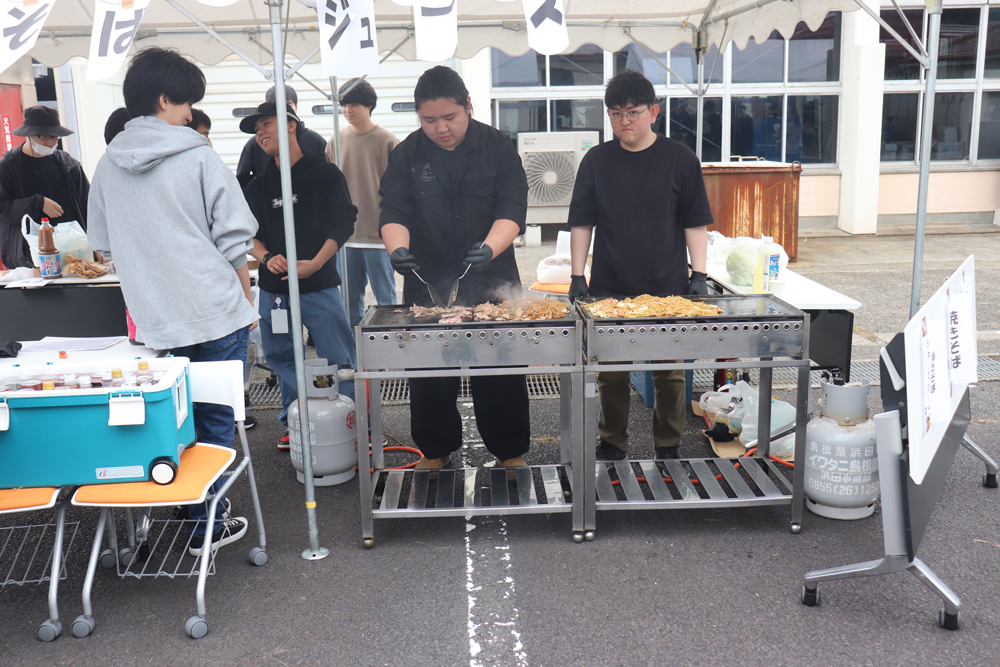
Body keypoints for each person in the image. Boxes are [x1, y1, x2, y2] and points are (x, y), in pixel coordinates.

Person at [87, 47, 258, 556]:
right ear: (165, 99)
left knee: (167, 419)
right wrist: (246, 301)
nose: (190, 114)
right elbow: (235, 239)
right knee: (215, 420)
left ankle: (182, 506)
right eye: (186, 104)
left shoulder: (108, 163)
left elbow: (104, 244)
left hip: (155, 320)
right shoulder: (198, 155)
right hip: (215, 309)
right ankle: (206, 523)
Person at [379, 66, 531, 473]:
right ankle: (436, 449)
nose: (441, 128)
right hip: (427, 277)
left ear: (468, 105)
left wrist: (490, 247)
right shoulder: (407, 154)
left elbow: (513, 205)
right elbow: (393, 210)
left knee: (499, 364)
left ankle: (509, 450)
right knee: (428, 367)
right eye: (429, 120)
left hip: (491, 273)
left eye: (450, 117)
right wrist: (397, 249)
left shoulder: (496, 146)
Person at [567, 69, 714, 462]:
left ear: (654, 112)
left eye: (632, 112)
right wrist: (577, 274)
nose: (624, 122)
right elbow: (582, 222)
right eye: (616, 114)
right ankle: (613, 441)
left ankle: (668, 445)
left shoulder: (680, 159)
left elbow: (695, 222)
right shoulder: (597, 160)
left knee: (670, 372)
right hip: (610, 286)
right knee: (611, 373)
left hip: (667, 285)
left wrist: (699, 274)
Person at [242, 102, 358, 450]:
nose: (260, 133)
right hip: (274, 292)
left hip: (319, 285)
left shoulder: (324, 173)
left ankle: (350, 422)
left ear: (290, 124)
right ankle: (294, 423)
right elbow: (247, 234)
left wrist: (317, 262)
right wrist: (266, 257)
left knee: (337, 356)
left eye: (266, 124)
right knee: (282, 356)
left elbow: (344, 222)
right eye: (257, 130)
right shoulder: (259, 185)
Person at [327, 78, 400, 328]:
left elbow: (400, 191)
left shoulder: (388, 141)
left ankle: (391, 344)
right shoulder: (335, 140)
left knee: (387, 302)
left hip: (380, 237)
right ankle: (353, 350)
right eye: (344, 105)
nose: (347, 110)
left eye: (354, 104)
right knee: (348, 304)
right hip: (345, 237)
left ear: (369, 106)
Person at [0, 106, 89, 270]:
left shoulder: (68, 164)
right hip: (28, 257)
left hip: (73, 252)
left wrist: (95, 245)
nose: (51, 142)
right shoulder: (8, 166)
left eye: (55, 137)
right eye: (44, 136)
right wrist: (37, 203)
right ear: (29, 135)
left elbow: (88, 206)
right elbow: (2, 209)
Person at [236, 85, 327, 188]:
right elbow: (241, 181)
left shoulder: (315, 140)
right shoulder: (254, 144)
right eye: (257, 130)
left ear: (296, 107)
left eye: (288, 105)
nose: (283, 110)